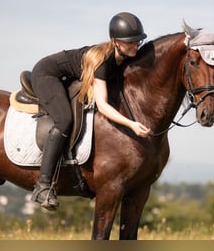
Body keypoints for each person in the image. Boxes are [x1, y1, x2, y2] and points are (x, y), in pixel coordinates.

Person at [30, 12, 151, 210]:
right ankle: (43, 185)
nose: (136, 45)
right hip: (47, 74)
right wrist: (131, 124)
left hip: (65, 76)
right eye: (130, 42)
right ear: (115, 42)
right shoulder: (103, 61)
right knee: (64, 120)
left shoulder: (124, 55)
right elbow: (102, 106)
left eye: (138, 40)